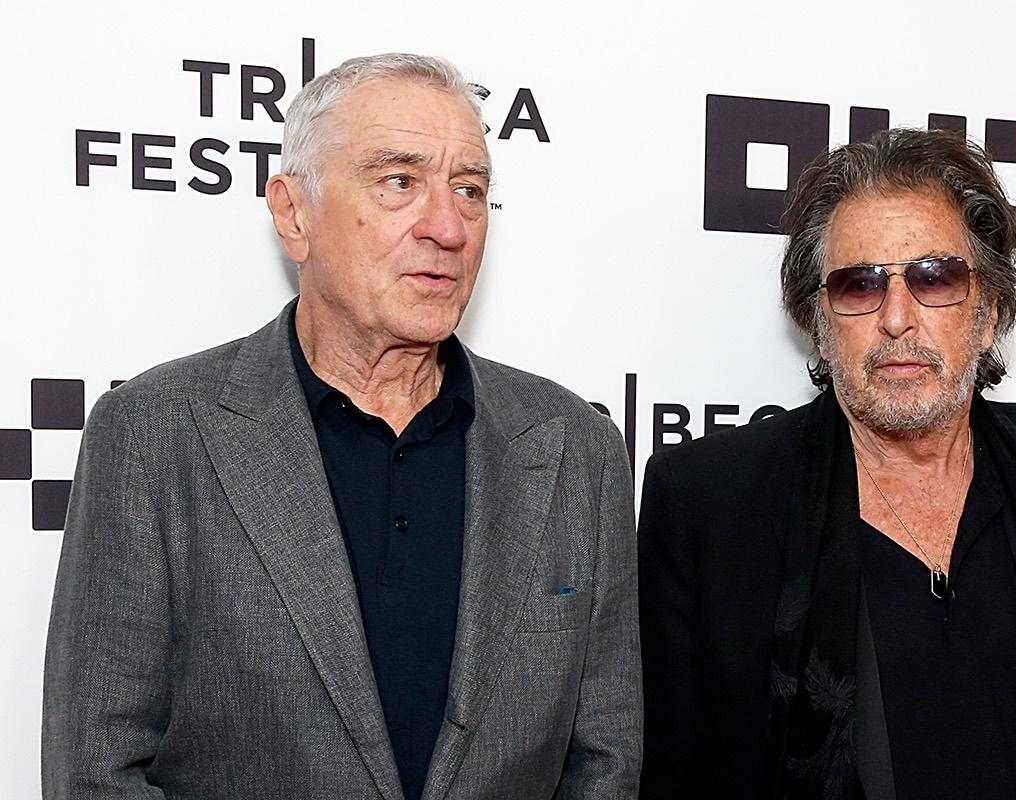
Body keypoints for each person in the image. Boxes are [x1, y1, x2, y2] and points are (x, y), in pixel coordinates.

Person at [43, 53, 641, 800]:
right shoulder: (153, 435)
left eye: (470, 189)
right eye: (399, 181)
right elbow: (97, 768)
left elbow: (605, 760)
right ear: (293, 215)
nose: (448, 227)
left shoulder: (575, 448)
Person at [638, 128, 1016, 799]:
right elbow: (670, 775)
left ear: (990, 312)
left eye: (935, 278)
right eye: (859, 285)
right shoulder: (710, 504)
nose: (897, 317)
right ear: (820, 323)